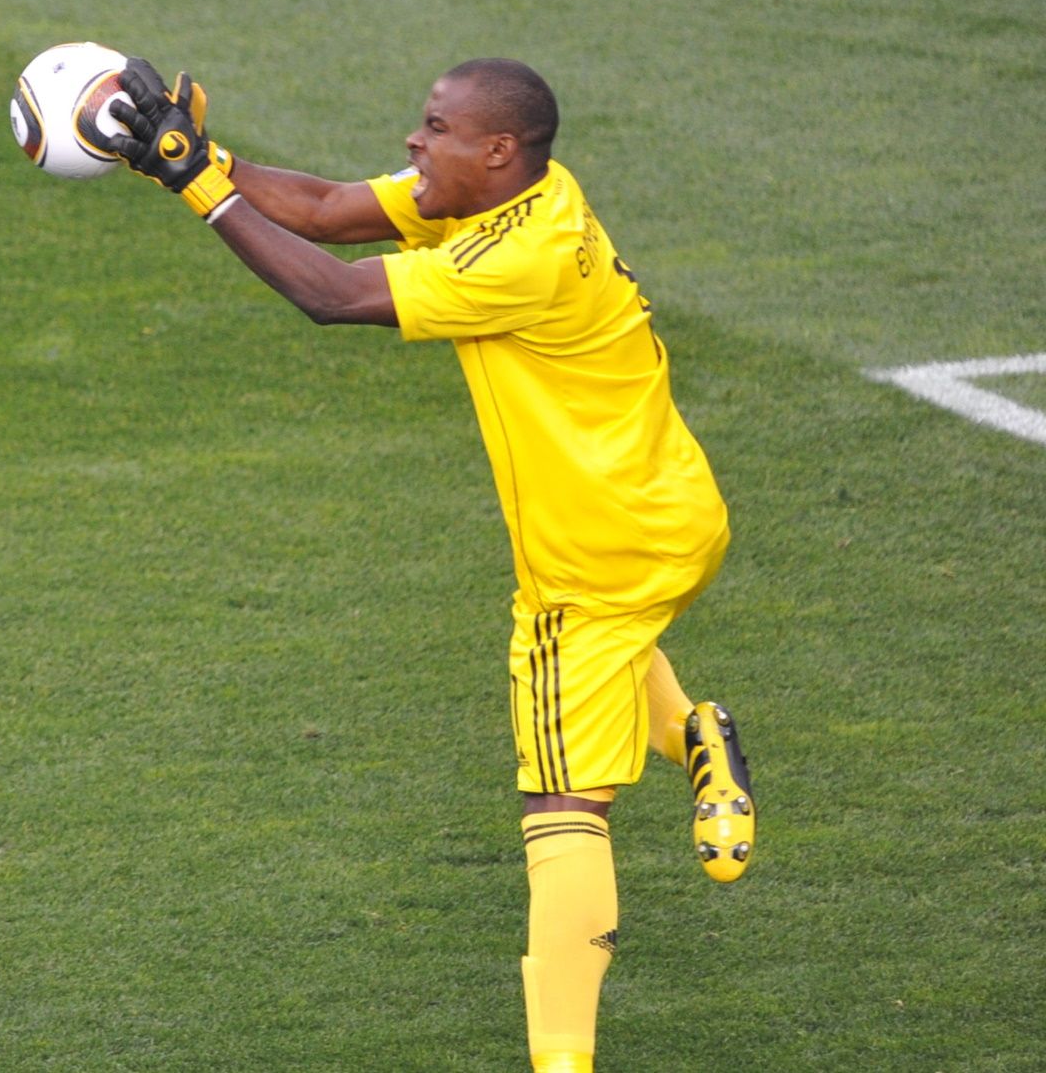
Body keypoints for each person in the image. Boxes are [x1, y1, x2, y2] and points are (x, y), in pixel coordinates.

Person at [106, 59, 756, 1072]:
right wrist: (191, 159)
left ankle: (562, 1062)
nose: (416, 141)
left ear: (496, 149)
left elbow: (330, 295)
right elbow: (324, 211)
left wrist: (196, 186)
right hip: (673, 512)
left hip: (593, 554)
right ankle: (695, 734)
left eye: (435, 126)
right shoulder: (533, 191)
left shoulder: (520, 259)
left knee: (565, 809)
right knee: (608, 658)